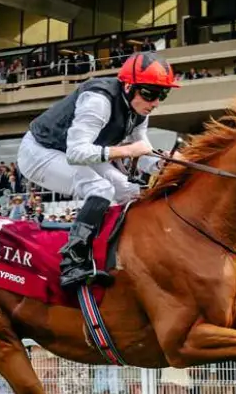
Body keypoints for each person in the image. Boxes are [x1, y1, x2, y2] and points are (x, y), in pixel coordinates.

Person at [16, 52, 181, 287]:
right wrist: (126, 151)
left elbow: (140, 151)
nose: (155, 102)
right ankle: (71, 263)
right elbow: (76, 153)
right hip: (40, 151)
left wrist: (161, 162)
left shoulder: (139, 110)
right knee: (100, 188)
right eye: (150, 94)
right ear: (128, 87)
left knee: (130, 191)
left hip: (78, 151)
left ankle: (122, 256)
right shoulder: (98, 100)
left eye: (162, 95)